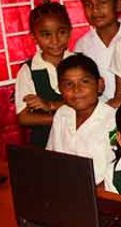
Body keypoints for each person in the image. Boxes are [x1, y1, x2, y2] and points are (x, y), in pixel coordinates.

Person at [46, 54, 115, 185]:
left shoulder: (113, 121)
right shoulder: (62, 115)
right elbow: (52, 156)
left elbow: (116, 168)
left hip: (100, 191)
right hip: (64, 187)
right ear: (60, 89)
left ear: (100, 85)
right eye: (68, 84)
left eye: (85, 82)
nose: (76, 90)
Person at [15, 1, 72, 147]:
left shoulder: (79, 62)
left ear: (70, 31)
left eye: (61, 32)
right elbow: (24, 117)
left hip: (78, 139)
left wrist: (51, 106)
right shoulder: (28, 70)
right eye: (46, 34)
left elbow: (89, 101)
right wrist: (66, 118)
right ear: (34, 37)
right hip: (45, 141)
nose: (55, 40)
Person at [74, 0, 121, 102]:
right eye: (88, 5)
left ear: (118, 4)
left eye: (102, 2)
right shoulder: (82, 46)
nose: (95, 10)